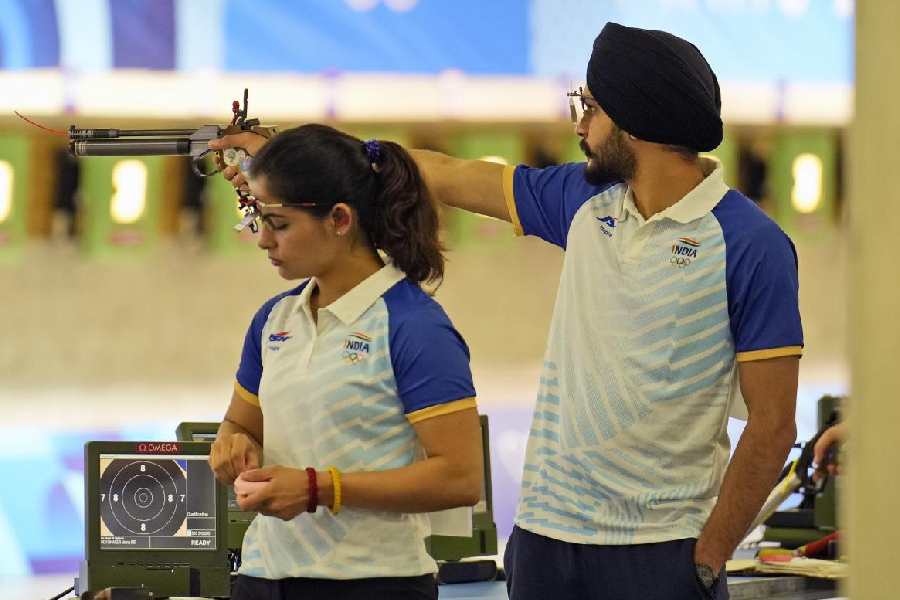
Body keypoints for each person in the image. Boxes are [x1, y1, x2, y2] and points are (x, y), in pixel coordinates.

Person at [211, 22, 803, 600]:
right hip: (545, 539)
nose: (580, 124)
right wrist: (289, 158)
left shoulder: (751, 244)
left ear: (634, 118)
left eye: (591, 107)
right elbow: (447, 173)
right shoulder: (585, 199)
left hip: (661, 547)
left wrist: (708, 557)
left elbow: (773, 424)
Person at [208, 123, 483, 600]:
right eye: (260, 222)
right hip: (263, 577)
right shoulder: (274, 318)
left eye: (280, 224)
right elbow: (239, 422)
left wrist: (319, 489)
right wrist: (231, 445)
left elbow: (459, 477)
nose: (263, 241)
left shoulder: (414, 325)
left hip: (372, 583)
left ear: (339, 219)